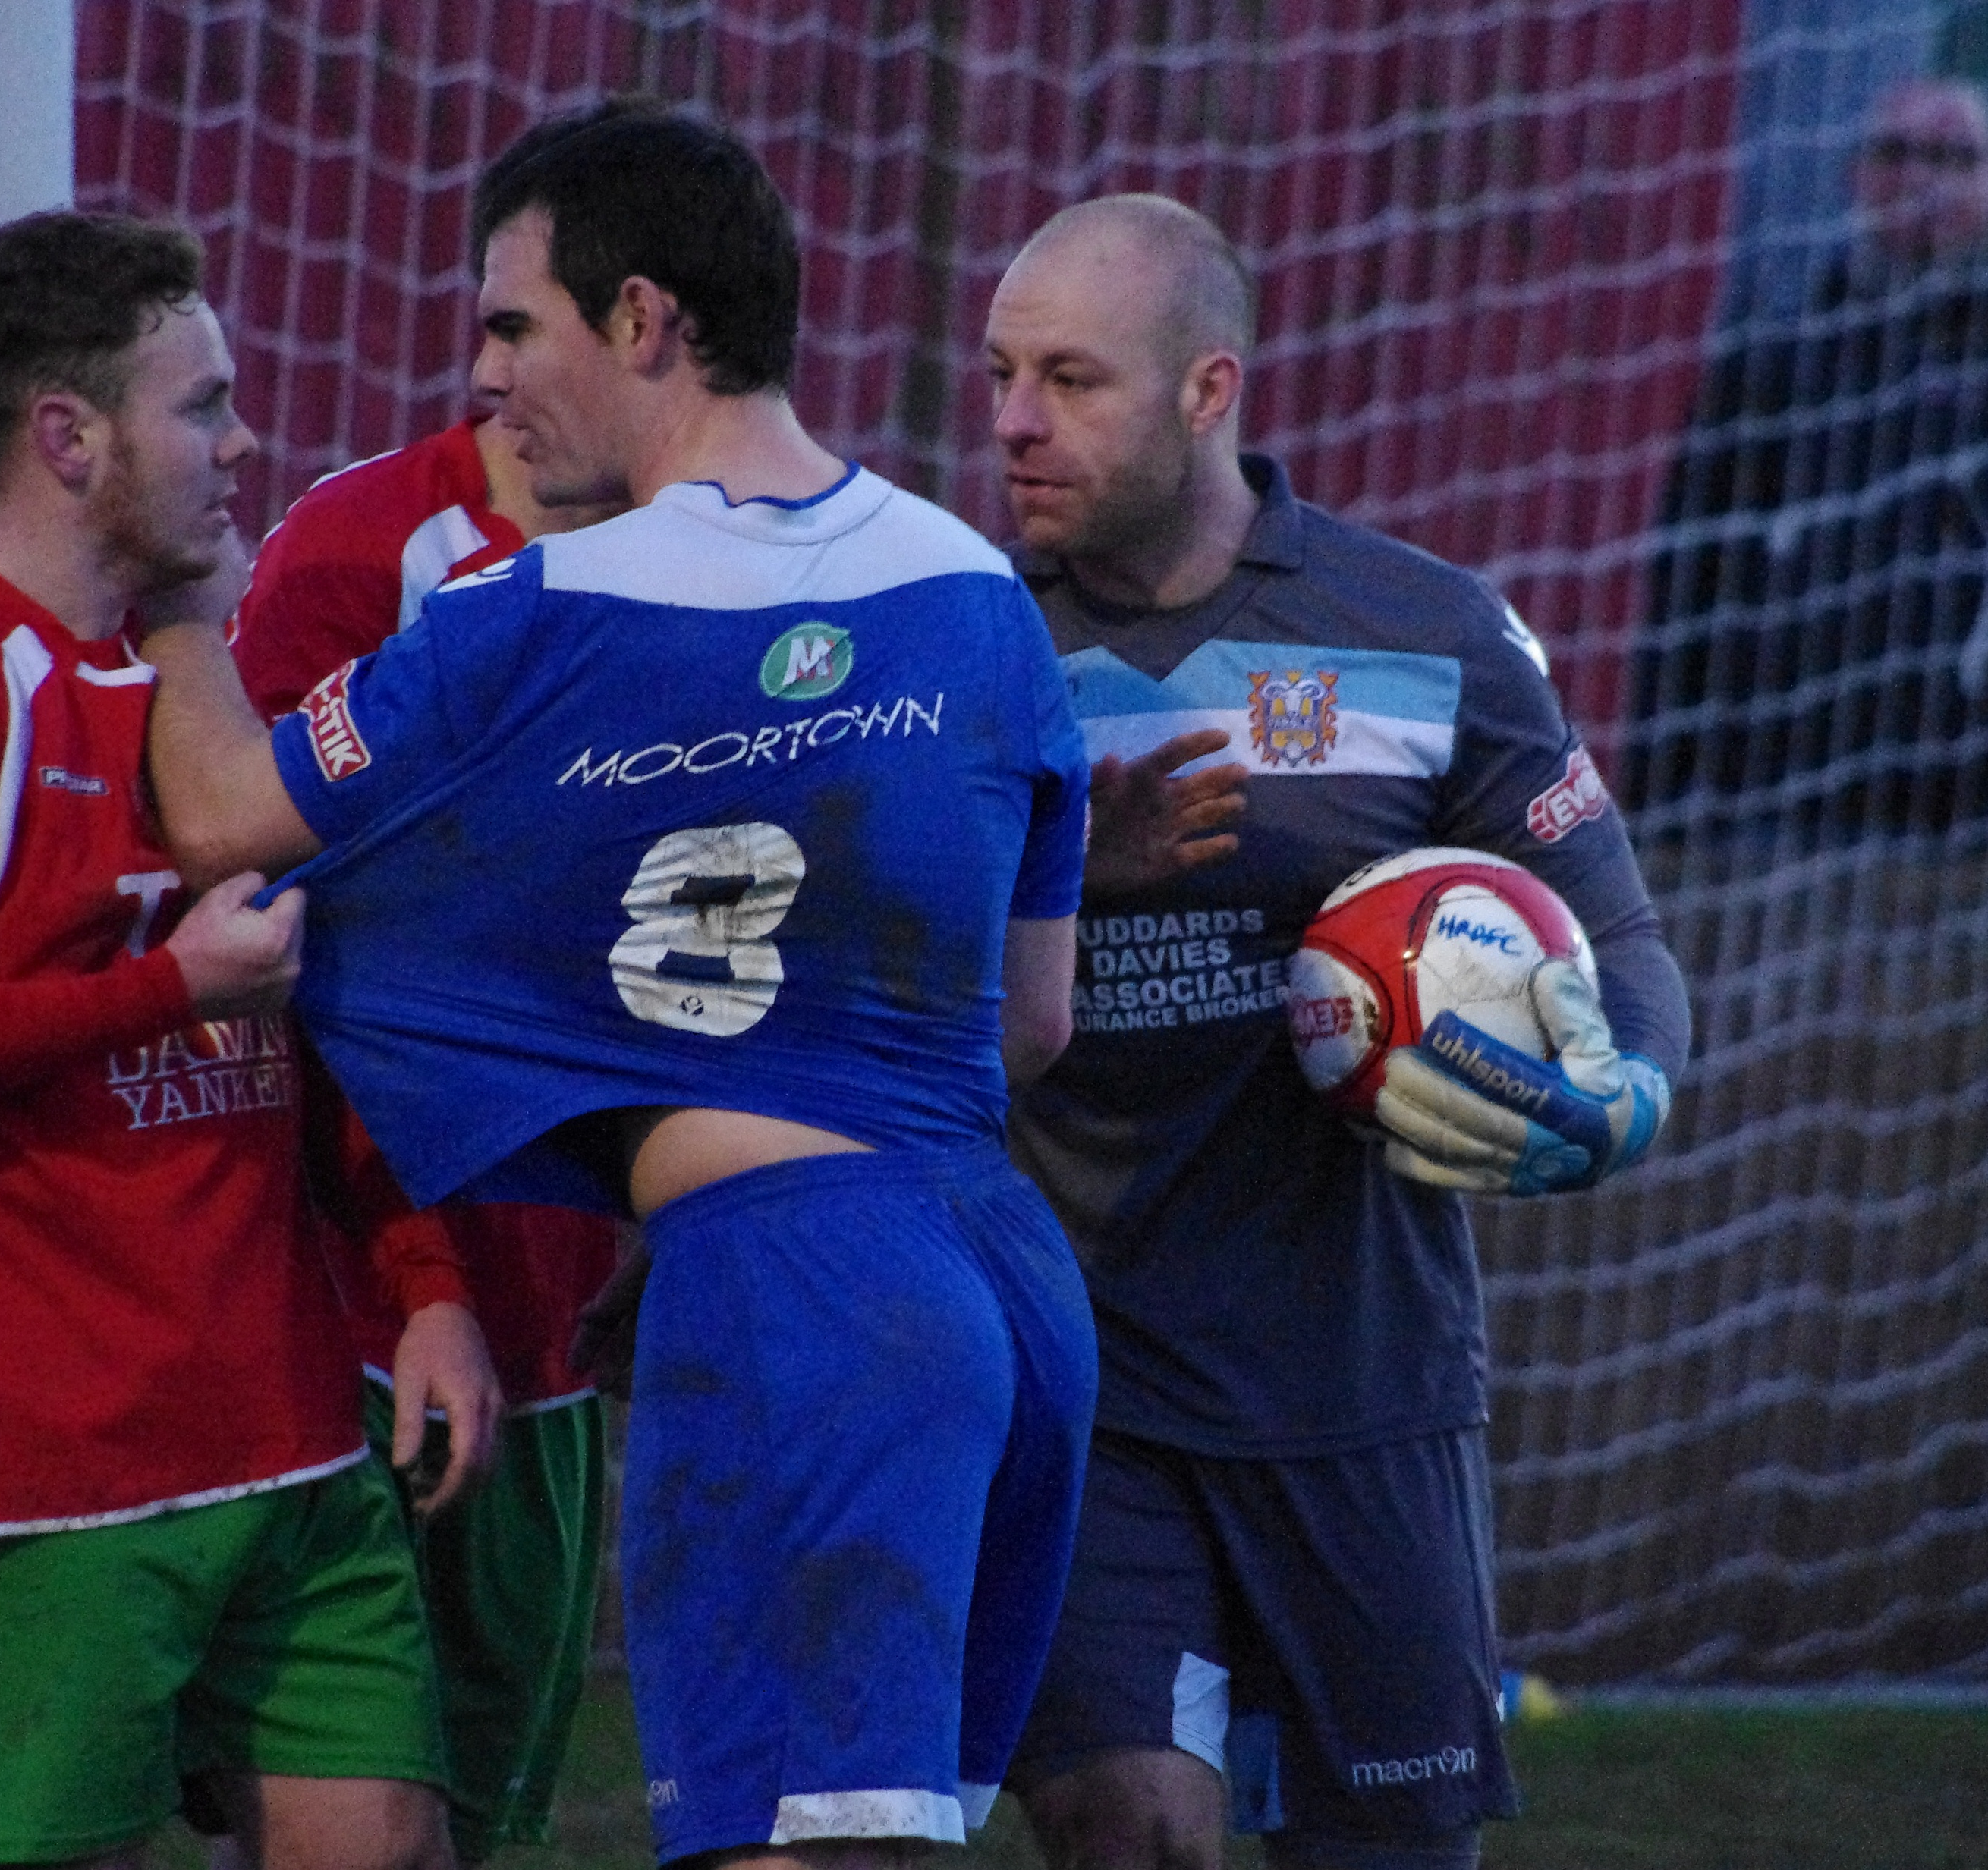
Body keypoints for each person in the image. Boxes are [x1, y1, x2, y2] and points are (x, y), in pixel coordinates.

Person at [135, 105, 1101, 1870]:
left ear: (641, 321)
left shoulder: (545, 607)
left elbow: (216, 814)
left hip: (791, 1297)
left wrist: (179, 596)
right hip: (998, 1285)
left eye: (513, 325)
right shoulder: (975, 591)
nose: (487, 380)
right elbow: (1029, 1023)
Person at [983, 196, 1692, 1870]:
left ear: (1205, 389)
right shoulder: (964, 641)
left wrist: (1625, 1093)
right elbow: (880, 982)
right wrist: (1063, 871)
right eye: (999, 372)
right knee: (1127, 1823)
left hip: (1359, 1384)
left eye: (1069, 378)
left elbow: (1619, 938)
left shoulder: (1429, 634)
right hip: (1086, 1371)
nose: (1011, 419)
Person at [0, 210, 458, 1870]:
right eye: (200, 404)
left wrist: (422, 1275)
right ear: (69, 437)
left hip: (288, 1439)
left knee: (390, 1842)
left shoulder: (195, 689)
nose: (242, 441)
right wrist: (161, 990)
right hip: (37, 1479)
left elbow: (303, 1022)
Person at [230, 408, 626, 1865]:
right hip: (344, 1313)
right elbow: (272, 917)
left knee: (476, 1820)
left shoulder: (722, 558)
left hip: (558, 1319)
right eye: (488, 324)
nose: (486, 369)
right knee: (353, 1821)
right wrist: (418, 1278)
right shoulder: (360, 549)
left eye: (522, 329)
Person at [1629, 77, 1988, 847]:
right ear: (1854, 175)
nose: (1921, 180)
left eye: (1955, 159)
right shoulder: (1776, 364)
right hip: (1784, 784)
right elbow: (1690, 578)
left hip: (1959, 789)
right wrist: (1661, 787)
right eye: (1896, 153)